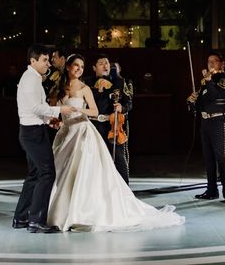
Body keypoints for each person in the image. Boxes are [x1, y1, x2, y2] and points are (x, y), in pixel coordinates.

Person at [48, 54, 184, 232]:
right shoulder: (65, 86)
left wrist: (78, 109)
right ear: (68, 67)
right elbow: (55, 110)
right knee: (63, 171)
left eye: (81, 66)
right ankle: (61, 209)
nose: (79, 69)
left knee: (104, 165)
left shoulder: (109, 83)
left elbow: (103, 107)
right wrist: (57, 120)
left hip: (89, 130)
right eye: (76, 65)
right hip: (67, 133)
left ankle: (109, 201)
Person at [13, 44, 77, 233]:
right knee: (47, 173)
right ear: (32, 61)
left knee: (34, 174)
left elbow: (34, 109)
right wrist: (60, 110)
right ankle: (36, 221)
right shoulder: (31, 79)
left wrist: (49, 120)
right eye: (44, 60)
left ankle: (21, 217)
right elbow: (35, 107)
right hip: (32, 133)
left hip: (30, 130)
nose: (47, 63)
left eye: (48, 60)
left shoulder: (32, 78)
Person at [187, 51, 225, 203]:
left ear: (221, 63)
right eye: (209, 61)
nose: (211, 64)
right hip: (206, 122)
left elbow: (215, 95)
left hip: (219, 121)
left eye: (215, 61)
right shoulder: (206, 81)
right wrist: (192, 100)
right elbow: (202, 103)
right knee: (208, 158)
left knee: (221, 156)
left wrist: (208, 81)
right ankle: (211, 190)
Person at [84, 54, 133, 183]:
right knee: (95, 159)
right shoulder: (87, 82)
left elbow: (129, 103)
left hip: (113, 125)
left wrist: (122, 107)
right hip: (94, 125)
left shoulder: (119, 81)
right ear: (94, 67)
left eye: (107, 62)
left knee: (119, 159)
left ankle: (124, 191)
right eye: (101, 63)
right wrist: (98, 91)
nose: (105, 65)